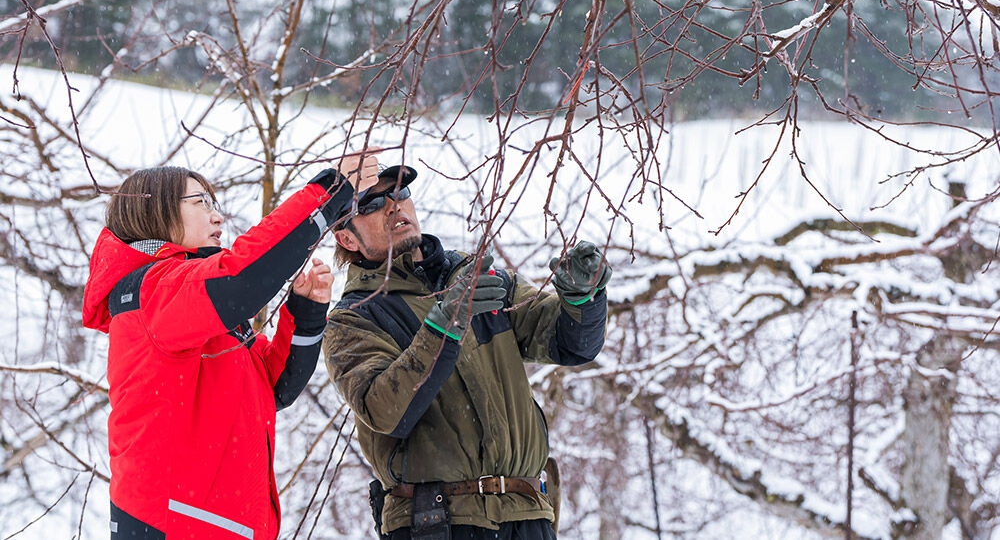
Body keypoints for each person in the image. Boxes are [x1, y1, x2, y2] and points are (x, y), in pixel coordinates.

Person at [81, 156, 378, 539]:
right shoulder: (152, 291)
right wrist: (331, 190)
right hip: (177, 528)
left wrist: (304, 313)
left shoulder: (194, 308)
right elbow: (240, 278)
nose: (217, 217)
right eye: (200, 202)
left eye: (214, 204)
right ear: (156, 213)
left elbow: (275, 387)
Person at [322, 159, 613, 540]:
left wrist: (582, 297)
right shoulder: (352, 321)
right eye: (372, 204)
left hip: (528, 514)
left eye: (400, 193)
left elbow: (571, 345)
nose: (394, 206)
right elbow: (386, 411)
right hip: (436, 523)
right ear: (346, 238)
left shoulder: (476, 278)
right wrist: (443, 326)